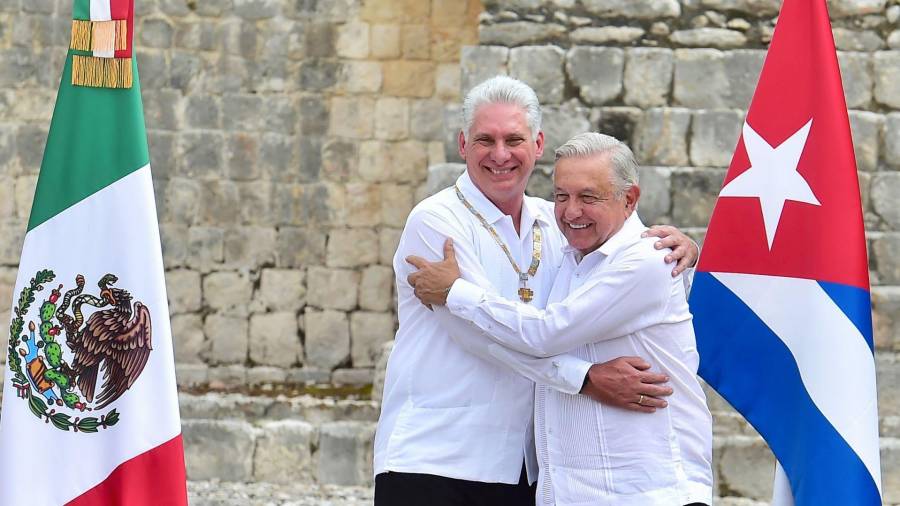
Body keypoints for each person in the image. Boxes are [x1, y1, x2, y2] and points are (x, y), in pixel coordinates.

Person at [374, 76, 699, 506]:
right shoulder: (436, 222)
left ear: (538, 144)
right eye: (485, 140)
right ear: (462, 144)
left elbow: (621, 255)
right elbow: (482, 339)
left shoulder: (558, 220)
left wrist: (684, 251)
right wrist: (584, 379)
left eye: (514, 139)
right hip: (439, 458)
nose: (501, 154)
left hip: (528, 465)